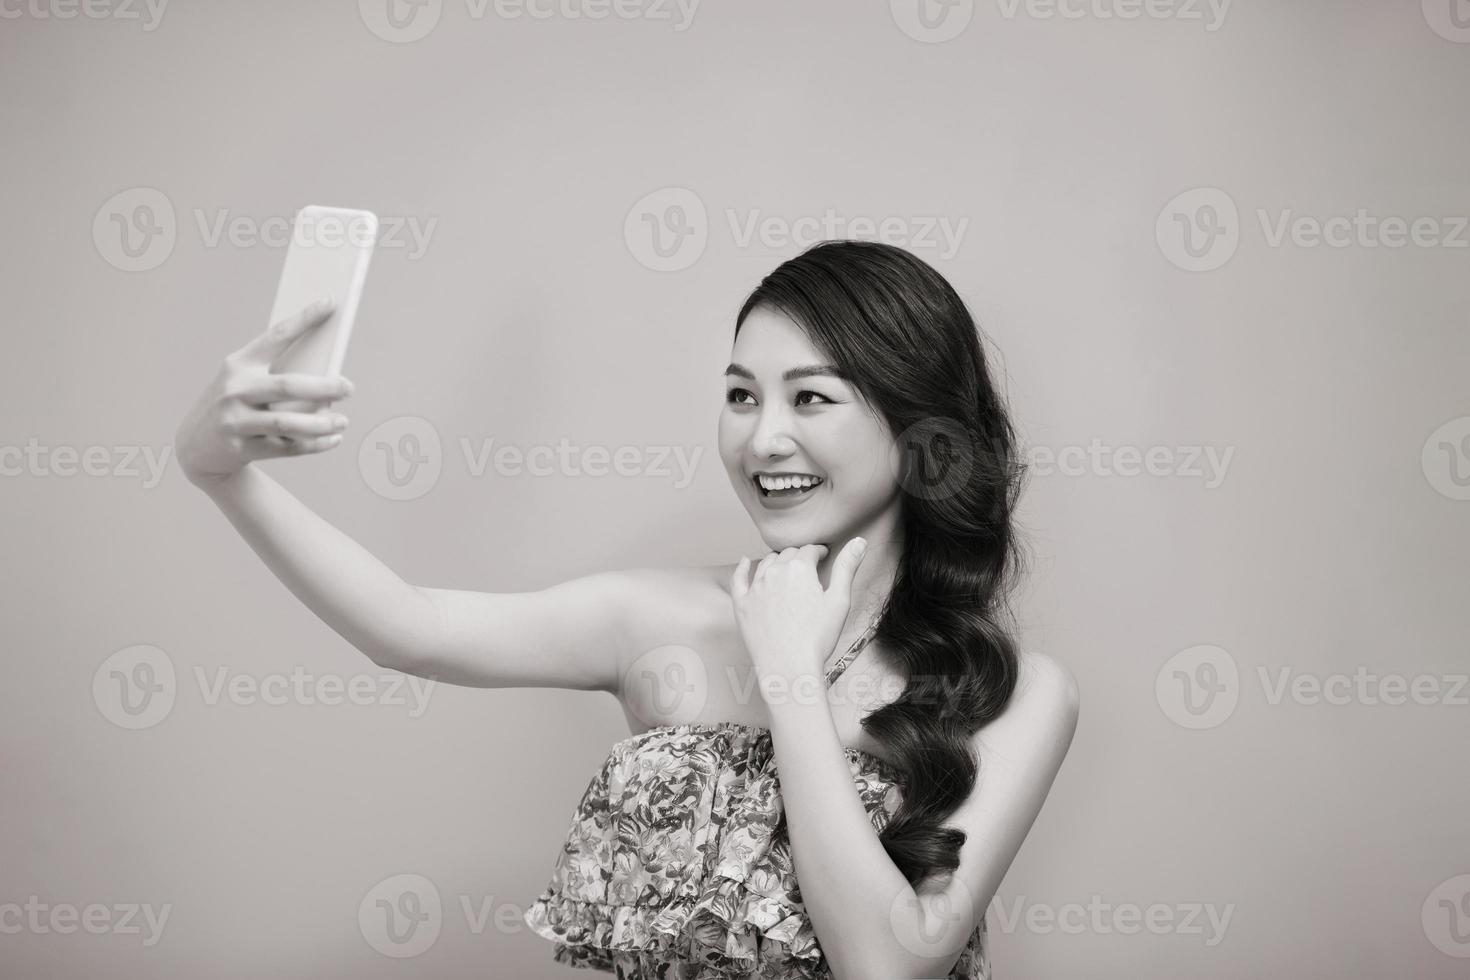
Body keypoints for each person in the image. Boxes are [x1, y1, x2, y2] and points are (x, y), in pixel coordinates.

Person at [175, 240, 1080, 979]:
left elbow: (887, 966)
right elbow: (408, 627)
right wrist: (221, 475)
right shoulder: (659, 615)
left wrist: (790, 677)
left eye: (810, 397)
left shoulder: (1014, 696)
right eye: (739, 395)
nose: (762, 438)